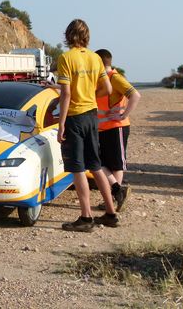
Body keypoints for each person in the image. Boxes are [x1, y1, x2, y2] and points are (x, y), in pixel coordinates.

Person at [56, 19, 119, 232]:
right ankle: (111, 213)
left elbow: (65, 93)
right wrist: (90, 94)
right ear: (86, 36)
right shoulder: (95, 58)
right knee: (95, 164)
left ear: (68, 35)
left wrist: (61, 123)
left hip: (74, 117)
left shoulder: (66, 58)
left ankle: (86, 218)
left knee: (77, 168)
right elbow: (108, 89)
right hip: (92, 115)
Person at [94, 49, 141, 211]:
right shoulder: (101, 79)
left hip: (116, 128)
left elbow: (135, 95)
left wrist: (124, 114)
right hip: (103, 128)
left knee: (116, 165)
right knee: (101, 162)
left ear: (99, 62)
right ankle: (117, 193)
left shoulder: (115, 78)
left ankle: (115, 199)